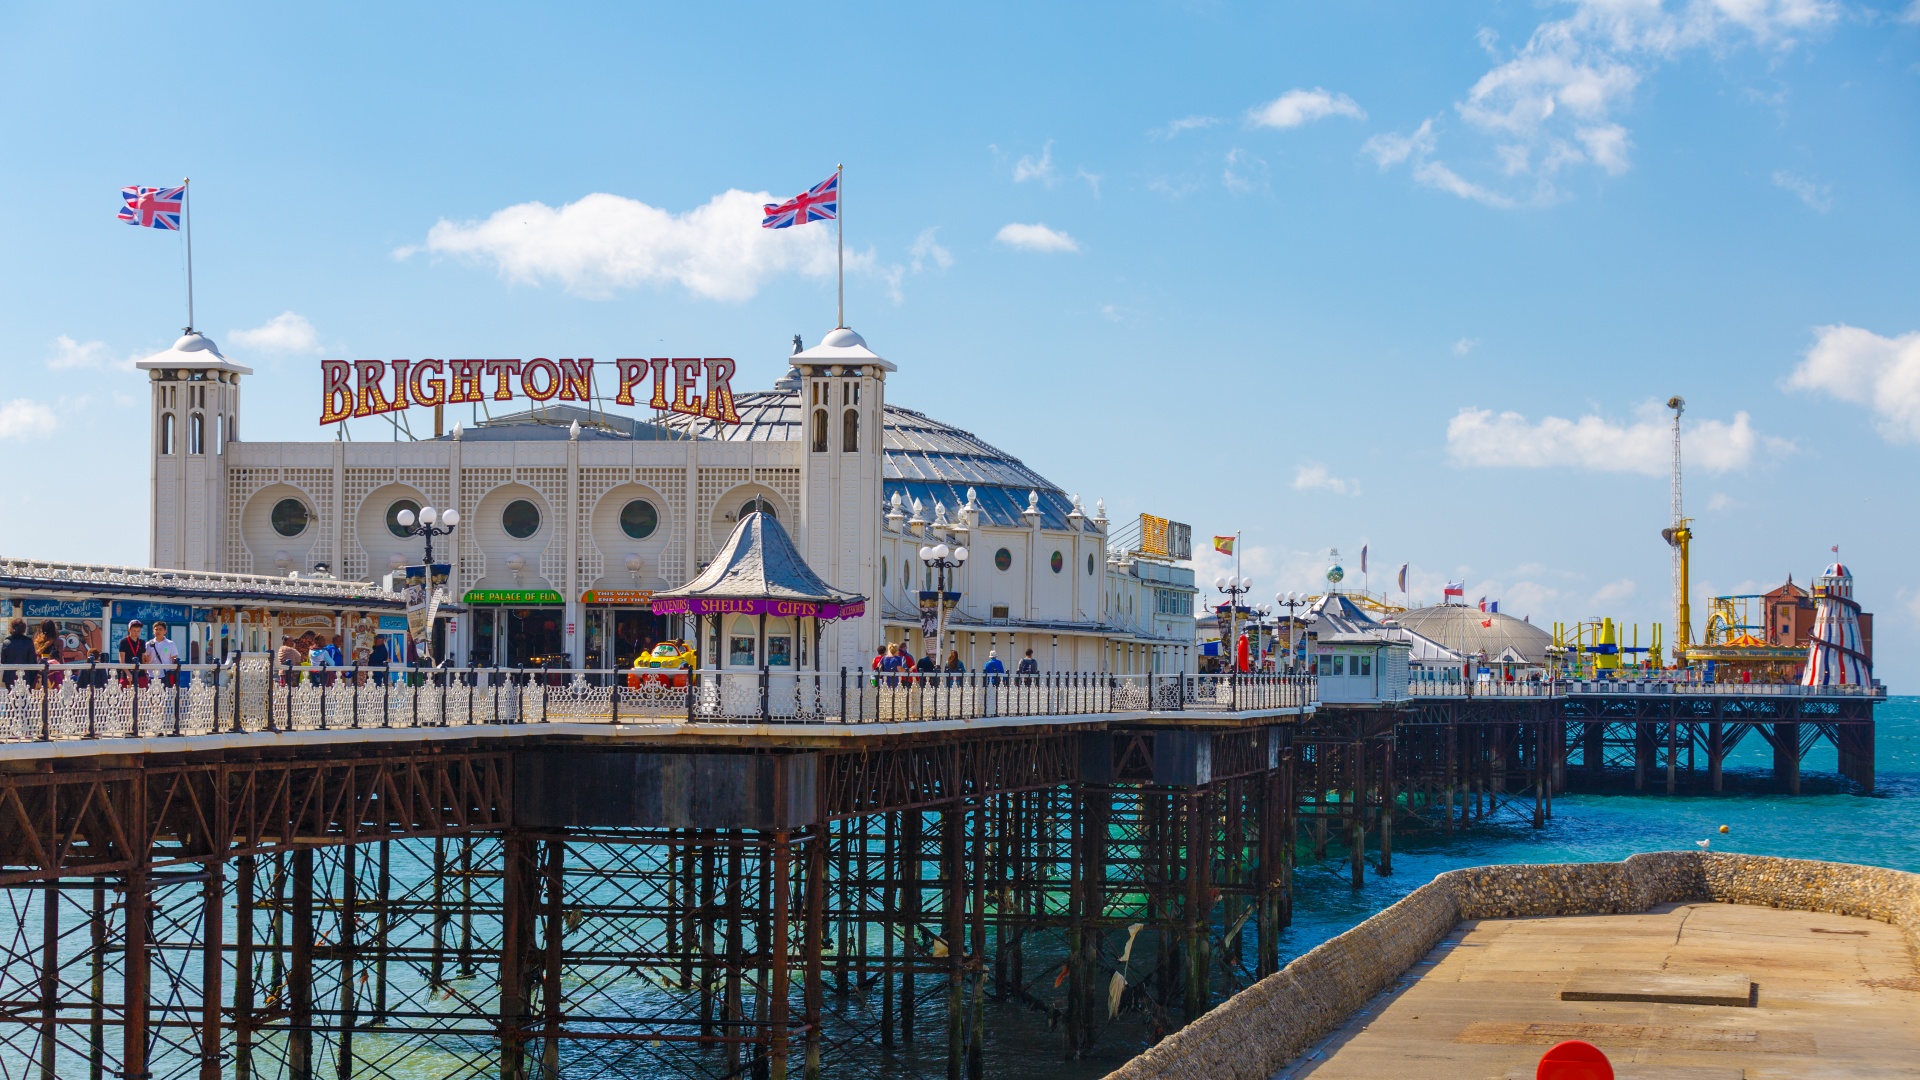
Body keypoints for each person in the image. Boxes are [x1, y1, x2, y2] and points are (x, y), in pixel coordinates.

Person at [2, 618, 33, 688]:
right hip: (26, 676)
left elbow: (3, 661)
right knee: (26, 697)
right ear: (24, 629)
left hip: (9, 677)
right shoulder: (29, 641)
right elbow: (32, 661)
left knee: (11, 698)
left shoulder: (7, 642)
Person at [119, 620, 149, 687]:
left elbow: (143, 659)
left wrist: (146, 671)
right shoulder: (124, 642)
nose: (136, 633)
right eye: (134, 631)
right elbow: (122, 660)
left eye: (138, 631)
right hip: (127, 672)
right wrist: (128, 673)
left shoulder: (142, 642)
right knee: (125, 695)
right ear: (129, 630)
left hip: (140, 673)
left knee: (142, 694)